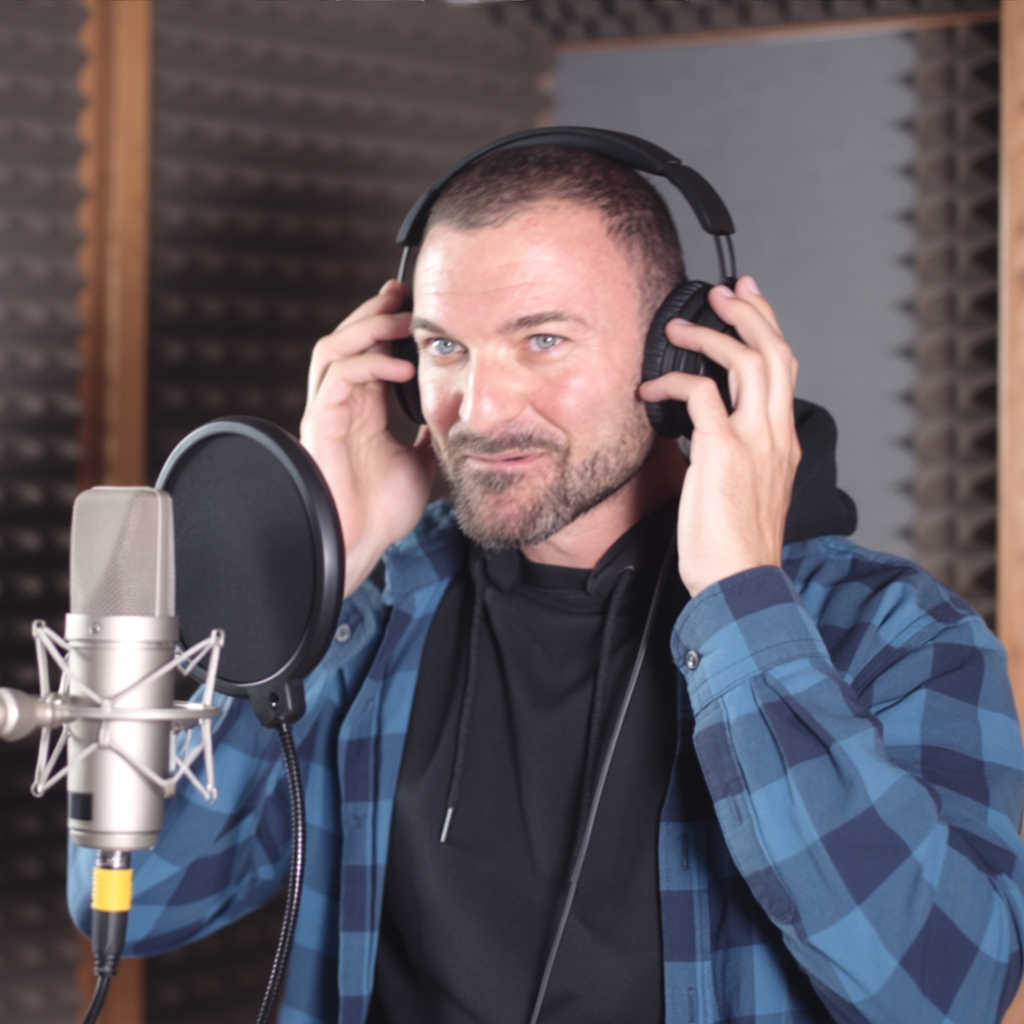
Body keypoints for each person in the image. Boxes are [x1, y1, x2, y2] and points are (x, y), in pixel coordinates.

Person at [69, 139, 1024, 1024]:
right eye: (446, 347)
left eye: (543, 341)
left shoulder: (893, 635)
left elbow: (946, 992)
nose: (477, 410)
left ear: (681, 352)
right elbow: (130, 899)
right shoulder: (378, 612)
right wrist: (310, 578)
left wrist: (741, 599)